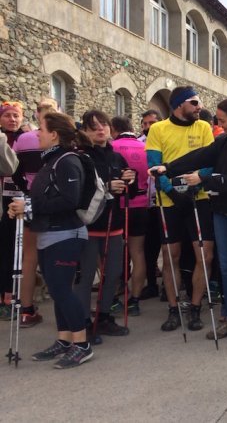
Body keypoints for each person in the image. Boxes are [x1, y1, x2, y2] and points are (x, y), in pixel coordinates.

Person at [151, 98, 227, 344]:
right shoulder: (224, 140)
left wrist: (204, 181)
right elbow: (199, 156)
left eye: (223, 120)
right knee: (225, 267)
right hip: (222, 210)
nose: (219, 123)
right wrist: (167, 168)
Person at [7, 112, 91, 368]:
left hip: (66, 233)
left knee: (62, 290)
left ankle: (82, 345)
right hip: (50, 233)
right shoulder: (51, 160)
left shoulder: (67, 161)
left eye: (41, 129)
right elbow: (46, 197)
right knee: (57, 290)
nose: (37, 134)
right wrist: (24, 206)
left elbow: (70, 200)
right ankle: (64, 340)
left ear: (54, 134)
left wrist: (30, 209)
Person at [145, 86, 216, 332]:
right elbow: (154, 166)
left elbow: (211, 160)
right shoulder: (158, 128)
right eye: (194, 103)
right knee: (170, 257)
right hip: (169, 201)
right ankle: (174, 308)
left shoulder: (204, 127)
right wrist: (172, 192)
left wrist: (199, 181)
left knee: (204, 256)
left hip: (199, 196)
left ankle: (195, 307)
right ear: (179, 104)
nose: (199, 107)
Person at [75, 110, 137, 341]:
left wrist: (129, 179)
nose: (100, 130)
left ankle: (103, 317)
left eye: (103, 125)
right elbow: (80, 192)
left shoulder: (116, 156)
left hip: (115, 223)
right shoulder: (81, 157)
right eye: (93, 127)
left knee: (113, 274)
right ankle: (82, 322)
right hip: (90, 225)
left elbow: (131, 189)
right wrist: (109, 187)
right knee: (88, 275)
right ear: (85, 132)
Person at [10, 98, 58, 327]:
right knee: (59, 257)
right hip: (56, 204)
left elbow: (14, 171)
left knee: (29, 258)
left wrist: (26, 189)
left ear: (37, 113)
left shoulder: (24, 139)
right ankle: (65, 310)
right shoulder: (62, 138)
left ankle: (26, 310)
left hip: (30, 199)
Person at [110, 116, 150, 317]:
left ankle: (113, 299)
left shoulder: (112, 146)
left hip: (119, 206)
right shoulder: (144, 147)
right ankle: (134, 300)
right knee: (138, 252)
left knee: (114, 253)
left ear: (113, 129)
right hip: (141, 205)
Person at [1, 101, 25, 320]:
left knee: (14, 251)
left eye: (16, 115)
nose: (12, 119)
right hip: (2, 199)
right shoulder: (2, 139)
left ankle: (12, 295)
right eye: (7, 115)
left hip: (19, 200)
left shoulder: (26, 138)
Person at [138, 110, 162, 300]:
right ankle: (152, 283)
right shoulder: (139, 143)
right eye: (145, 124)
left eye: (151, 123)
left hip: (166, 198)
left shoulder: (166, 139)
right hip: (148, 202)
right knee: (150, 247)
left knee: (171, 246)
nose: (148, 127)